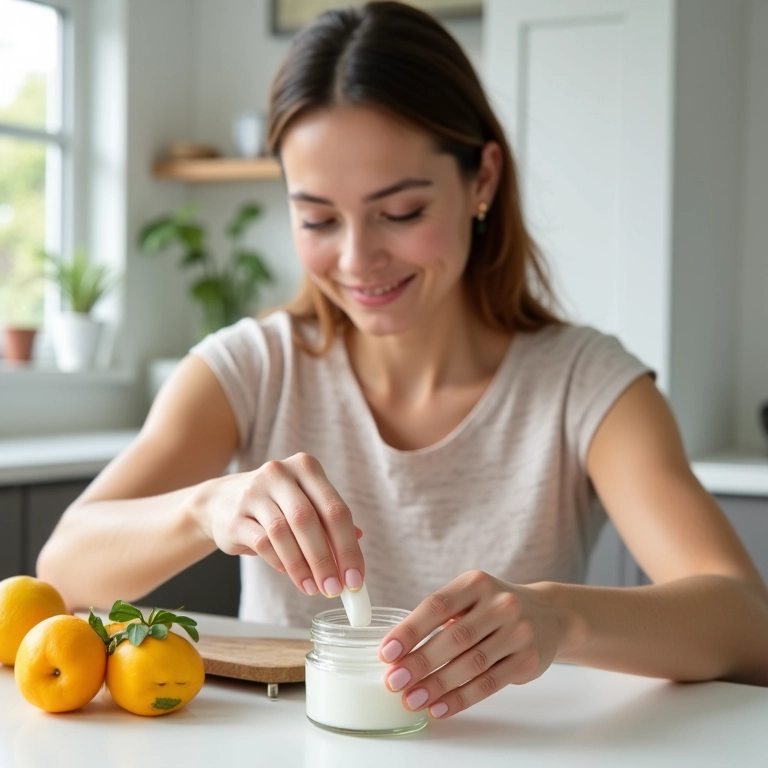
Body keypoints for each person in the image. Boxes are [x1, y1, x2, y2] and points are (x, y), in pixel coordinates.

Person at [38, 1, 768, 720]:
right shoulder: (253, 367)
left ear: (482, 179)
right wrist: (208, 506)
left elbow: (746, 624)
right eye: (318, 218)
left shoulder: (584, 385)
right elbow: (62, 569)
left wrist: (556, 618)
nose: (358, 260)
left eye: (402, 212)